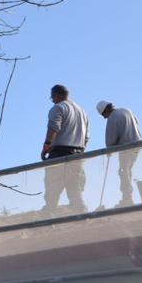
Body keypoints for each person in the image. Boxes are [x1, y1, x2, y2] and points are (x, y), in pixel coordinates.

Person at [41, 84, 88, 212]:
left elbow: (54, 127)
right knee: (75, 187)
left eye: (52, 98)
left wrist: (46, 146)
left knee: (52, 186)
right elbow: (86, 137)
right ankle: (82, 213)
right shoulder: (82, 111)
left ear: (56, 95)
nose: (52, 100)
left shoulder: (58, 108)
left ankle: (49, 215)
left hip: (60, 152)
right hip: (78, 154)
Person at [96, 100, 142, 206]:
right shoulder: (126, 110)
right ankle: (128, 197)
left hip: (126, 148)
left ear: (106, 109)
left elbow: (111, 139)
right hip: (137, 145)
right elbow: (136, 122)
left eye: (104, 115)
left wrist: (109, 150)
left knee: (123, 171)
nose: (105, 117)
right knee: (127, 171)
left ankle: (127, 198)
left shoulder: (113, 117)